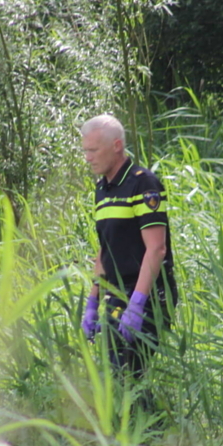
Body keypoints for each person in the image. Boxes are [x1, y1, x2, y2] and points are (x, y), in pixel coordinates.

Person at [79, 114, 177, 390]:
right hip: (116, 295)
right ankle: (131, 430)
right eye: (85, 150)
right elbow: (105, 248)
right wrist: (92, 303)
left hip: (147, 297)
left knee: (129, 377)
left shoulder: (142, 184)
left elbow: (156, 248)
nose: (88, 157)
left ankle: (150, 431)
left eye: (93, 150)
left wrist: (138, 304)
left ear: (117, 146)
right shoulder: (103, 189)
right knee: (116, 378)